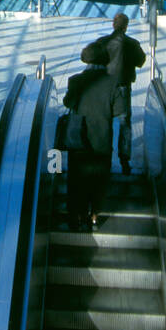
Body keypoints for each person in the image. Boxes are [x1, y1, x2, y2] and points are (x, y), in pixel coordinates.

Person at [62, 41, 116, 230]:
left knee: (77, 179)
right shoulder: (113, 83)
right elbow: (119, 111)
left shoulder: (75, 80)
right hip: (102, 140)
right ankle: (94, 215)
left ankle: (76, 216)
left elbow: (68, 103)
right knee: (99, 180)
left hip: (79, 139)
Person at [97, 12, 146, 174]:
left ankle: (104, 159)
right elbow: (141, 61)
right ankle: (124, 161)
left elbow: (89, 58)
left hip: (105, 88)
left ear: (113, 25)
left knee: (105, 122)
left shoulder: (103, 42)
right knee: (125, 123)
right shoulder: (132, 44)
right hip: (123, 87)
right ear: (126, 27)